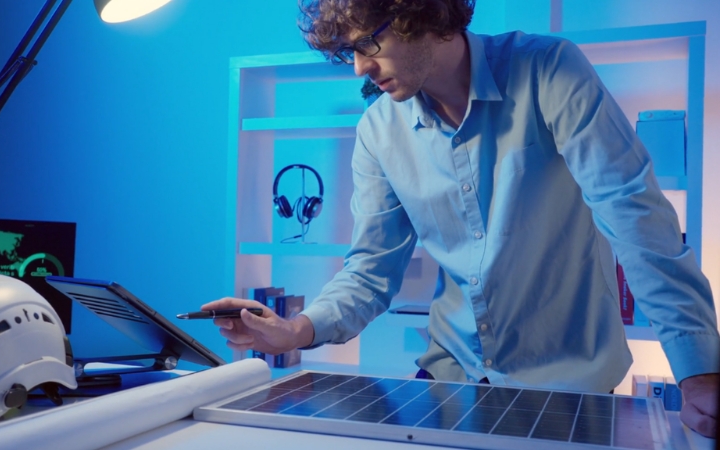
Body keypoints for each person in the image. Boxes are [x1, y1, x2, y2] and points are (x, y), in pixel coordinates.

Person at [202, 0, 719, 437]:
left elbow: (634, 217)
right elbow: (370, 269)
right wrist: (296, 330)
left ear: (420, 14)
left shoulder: (550, 70)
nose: (358, 67)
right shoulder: (378, 131)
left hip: (570, 384)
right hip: (449, 379)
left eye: (368, 44)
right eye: (348, 52)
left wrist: (698, 369)